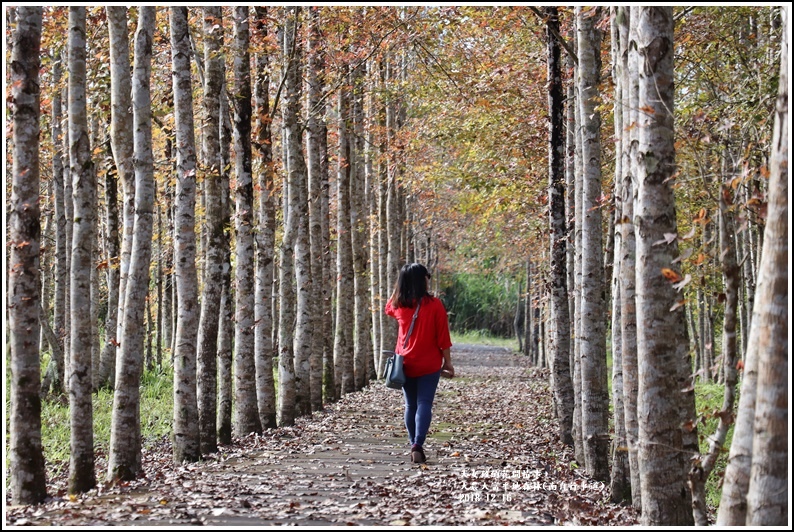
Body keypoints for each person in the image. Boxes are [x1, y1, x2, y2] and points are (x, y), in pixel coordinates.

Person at [385, 263, 454, 464]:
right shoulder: (435, 305)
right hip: (430, 363)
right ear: (423, 280)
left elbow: (388, 307)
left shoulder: (399, 305)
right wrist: (448, 362)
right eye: (427, 277)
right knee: (425, 403)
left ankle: (412, 443)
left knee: (410, 404)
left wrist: (399, 287)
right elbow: (443, 338)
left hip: (405, 363)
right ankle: (418, 444)